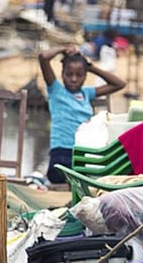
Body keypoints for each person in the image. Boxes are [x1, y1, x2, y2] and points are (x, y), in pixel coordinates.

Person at [39, 45, 126, 184]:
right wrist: (63, 48)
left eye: (79, 75)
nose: (73, 79)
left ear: (86, 76)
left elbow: (119, 84)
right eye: (69, 74)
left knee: (90, 180)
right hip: (61, 153)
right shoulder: (56, 90)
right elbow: (43, 57)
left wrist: (90, 67)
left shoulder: (86, 93)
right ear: (62, 74)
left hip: (83, 153)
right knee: (63, 178)